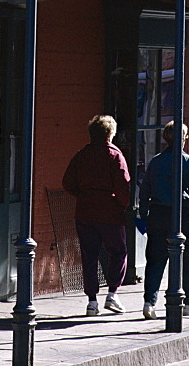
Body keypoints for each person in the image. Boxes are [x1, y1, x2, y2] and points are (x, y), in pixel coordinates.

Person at [62, 114, 131, 316]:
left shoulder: (82, 154)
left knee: (89, 255)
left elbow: (68, 182)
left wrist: (83, 195)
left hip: (85, 211)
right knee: (118, 252)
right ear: (111, 133)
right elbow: (123, 185)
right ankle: (112, 294)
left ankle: (92, 301)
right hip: (109, 211)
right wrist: (121, 205)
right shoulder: (115, 155)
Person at [138, 120, 189, 320]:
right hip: (180, 213)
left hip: (157, 213)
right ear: (183, 139)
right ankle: (188, 301)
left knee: (155, 259)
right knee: (188, 258)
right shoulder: (188, 161)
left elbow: (145, 190)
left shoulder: (156, 161)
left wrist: (144, 214)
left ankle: (149, 302)